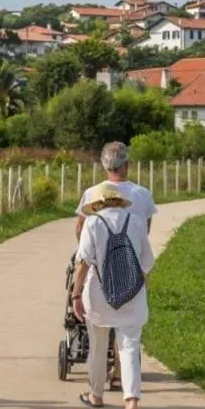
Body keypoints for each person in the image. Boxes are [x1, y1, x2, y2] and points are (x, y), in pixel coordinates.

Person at [73, 141, 156, 391]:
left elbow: (79, 228)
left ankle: (96, 389)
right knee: (127, 327)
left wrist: (92, 249)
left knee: (101, 323)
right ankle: (121, 375)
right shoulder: (142, 194)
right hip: (131, 267)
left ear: (104, 165)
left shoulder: (92, 193)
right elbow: (146, 231)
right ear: (127, 165)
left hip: (97, 270)